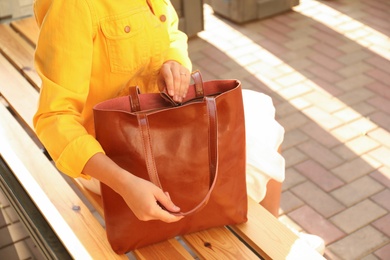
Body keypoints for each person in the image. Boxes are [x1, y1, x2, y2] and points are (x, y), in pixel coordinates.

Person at [33, 0, 324, 254]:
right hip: (112, 162)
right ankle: (268, 242)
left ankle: (270, 234)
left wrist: (174, 62)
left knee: (259, 114)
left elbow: (170, 30)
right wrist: (123, 182)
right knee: (251, 152)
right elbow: (54, 117)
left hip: (159, 124)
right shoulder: (70, 4)